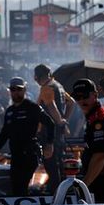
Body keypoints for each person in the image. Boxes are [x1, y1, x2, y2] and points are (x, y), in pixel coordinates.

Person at [0, 77, 55, 195]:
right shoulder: (9, 111)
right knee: (15, 187)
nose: (16, 92)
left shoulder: (32, 107)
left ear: (24, 90)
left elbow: (50, 123)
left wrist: (49, 144)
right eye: (13, 89)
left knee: (29, 188)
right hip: (15, 155)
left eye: (19, 89)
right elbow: (5, 132)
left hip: (30, 154)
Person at [34, 64, 71, 193]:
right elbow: (71, 102)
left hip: (49, 132)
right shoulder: (59, 86)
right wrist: (64, 120)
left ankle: (54, 191)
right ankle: (60, 189)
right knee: (59, 162)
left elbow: (50, 105)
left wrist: (60, 121)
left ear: (36, 77)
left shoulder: (47, 88)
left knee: (51, 163)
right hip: (58, 131)